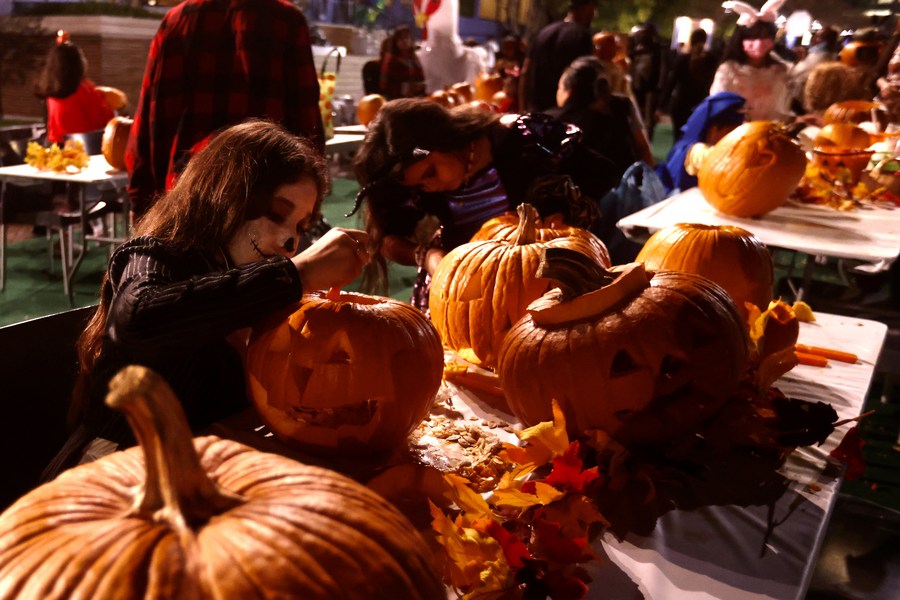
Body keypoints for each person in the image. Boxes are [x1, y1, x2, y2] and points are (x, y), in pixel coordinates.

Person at [44, 120, 370, 479]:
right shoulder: (156, 255)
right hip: (116, 474)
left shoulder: (252, 280)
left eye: (300, 226)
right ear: (227, 194)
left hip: (204, 469)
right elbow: (140, 320)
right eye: (277, 214)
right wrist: (298, 273)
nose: (291, 242)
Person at [350, 98, 619, 306]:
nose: (429, 187)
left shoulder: (522, 139)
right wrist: (426, 256)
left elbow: (601, 175)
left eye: (430, 173)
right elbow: (389, 237)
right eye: (419, 185)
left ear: (443, 138)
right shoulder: (414, 171)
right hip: (469, 288)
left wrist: (562, 210)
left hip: (547, 274)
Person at [125, 0, 325, 220]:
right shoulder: (286, 21)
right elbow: (306, 123)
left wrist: (140, 199)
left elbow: (150, 116)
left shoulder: (176, 21)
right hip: (262, 203)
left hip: (185, 199)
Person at [547, 56, 653, 180]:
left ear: (569, 92)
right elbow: (643, 147)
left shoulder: (556, 122)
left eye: (560, 88)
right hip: (625, 187)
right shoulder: (622, 105)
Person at [710, 5, 791, 122]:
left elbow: (781, 110)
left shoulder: (779, 71)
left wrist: (797, 119)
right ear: (740, 39)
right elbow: (718, 106)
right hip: (734, 134)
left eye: (764, 37)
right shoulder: (729, 70)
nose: (758, 43)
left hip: (768, 133)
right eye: (752, 37)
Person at [655, 92, 747, 194]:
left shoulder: (686, 145)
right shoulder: (697, 151)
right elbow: (723, 165)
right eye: (730, 132)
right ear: (714, 130)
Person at [33, 32, 114, 145]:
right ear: (79, 64)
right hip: (83, 147)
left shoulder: (50, 89)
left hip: (56, 147)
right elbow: (104, 122)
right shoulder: (85, 89)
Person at [518, 0, 596, 112]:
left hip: (537, 111)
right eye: (593, 9)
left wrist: (523, 109)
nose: (594, 14)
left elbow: (526, 71)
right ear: (587, 8)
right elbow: (584, 79)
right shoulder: (582, 36)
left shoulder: (544, 32)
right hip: (564, 113)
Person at [659, 28, 719, 141]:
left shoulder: (682, 59)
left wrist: (661, 106)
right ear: (705, 41)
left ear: (691, 41)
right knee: (696, 139)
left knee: (678, 139)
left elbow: (671, 83)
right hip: (701, 105)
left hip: (680, 105)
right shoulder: (712, 60)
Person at [787, 26, 840, 115]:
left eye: (819, 37)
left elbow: (794, 75)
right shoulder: (832, 57)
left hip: (804, 102)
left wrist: (798, 60)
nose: (814, 39)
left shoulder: (819, 57)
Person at [627, 22, 665, 139]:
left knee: (646, 119)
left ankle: (645, 138)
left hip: (649, 88)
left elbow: (661, 71)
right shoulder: (637, 49)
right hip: (639, 87)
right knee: (637, 116)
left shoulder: (656, 50)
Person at [379, 26, 426, 101]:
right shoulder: (391, 61)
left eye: (407, 38)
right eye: (401, 39)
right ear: (396, 42)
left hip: (416, 99)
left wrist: (420, 86)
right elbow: (385, 85)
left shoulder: (415, 59)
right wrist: (405, 88)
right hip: (396, 100)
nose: (404, 41)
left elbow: (421, 78)